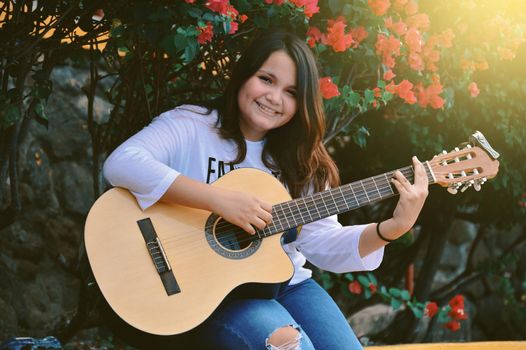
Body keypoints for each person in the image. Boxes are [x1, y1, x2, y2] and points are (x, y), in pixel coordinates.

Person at [102, 30, 429, 350]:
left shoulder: (305, 162)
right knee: (290, 347)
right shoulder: (192, 125)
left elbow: (321, 242)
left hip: (286, 285)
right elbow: (122, 163)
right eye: (266, 79)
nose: (274, 98)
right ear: (244, 75)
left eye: (291, 92)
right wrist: (218, 200)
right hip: (206, 290)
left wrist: (391, 229)